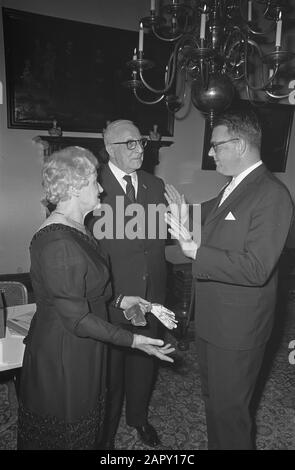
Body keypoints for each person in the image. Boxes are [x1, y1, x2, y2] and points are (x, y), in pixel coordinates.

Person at [17, 146, 174, 450]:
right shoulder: (58, 243)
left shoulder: (77, 227)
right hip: (65, 355)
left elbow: (86, 289)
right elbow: (78, 319)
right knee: (67, 436)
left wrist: (121, 300)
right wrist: (135, 341)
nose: (101, 188)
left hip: (82, 348)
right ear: (75, 187)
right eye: (94, 181)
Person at [165, 109, 294, 450]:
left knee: (230, 414)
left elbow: (256, 268)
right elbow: (205, 216)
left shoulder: (272, 194)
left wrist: (196, 252)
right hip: (213, 322)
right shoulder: (234, 187)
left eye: (215, 145)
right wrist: (180, 214)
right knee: (215, 404)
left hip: (238, 329)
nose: (210, 153)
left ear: (238, 145)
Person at [87, 120, 167, 448]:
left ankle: (138, 418)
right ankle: (103, 432)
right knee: (108, 376)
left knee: (143, 365)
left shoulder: (156, 185)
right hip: (111, 299)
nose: (139, 150)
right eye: (130, 144)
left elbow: (163, 236)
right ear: (110, 150)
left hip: (151, 298)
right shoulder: (92, 186)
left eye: (141, 143)